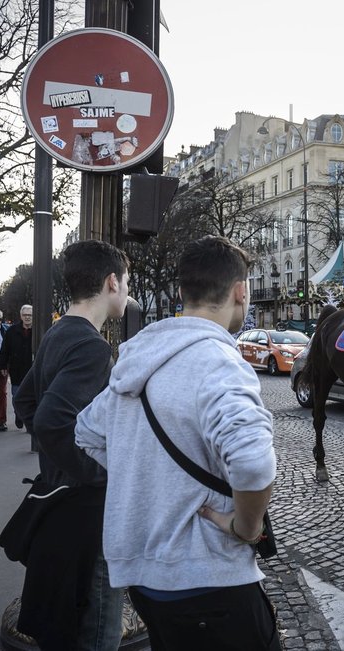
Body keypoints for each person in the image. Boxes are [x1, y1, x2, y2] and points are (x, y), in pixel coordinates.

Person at [76, 235, 280, 650]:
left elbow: (87, 432)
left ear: (183, 292)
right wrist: (247, 525)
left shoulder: (136, 359)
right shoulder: (220, 363)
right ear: (240, 292)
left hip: (146, 583)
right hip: (210, 579)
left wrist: (148, 480)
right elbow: (254, 463)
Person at [12, 240, 128, 650]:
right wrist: (98, 474)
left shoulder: (58, 331)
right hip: (85, 510)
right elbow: (49, 419)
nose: (127, 292)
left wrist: (54, 462)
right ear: (112, 282)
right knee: (98, 628)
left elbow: (26, 401)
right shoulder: (92, 346)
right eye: (126, 283)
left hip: (57, 499)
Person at [0, 304, 33, 430]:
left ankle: (28, 420)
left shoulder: (39, 330)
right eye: (25, 315)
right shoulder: (12, 331)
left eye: (30, 315)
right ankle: (19, 414)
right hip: (17, 369)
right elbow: (5, 349)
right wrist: (3, 365)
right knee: (17, 396)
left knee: (32, 398)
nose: (28, 317)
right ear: (21, 316)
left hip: (33, 369)